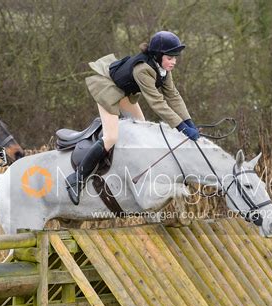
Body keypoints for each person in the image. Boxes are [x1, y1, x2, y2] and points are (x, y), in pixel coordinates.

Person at [65, 31, 199, 205]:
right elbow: (157, 102)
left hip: (126, 93)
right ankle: (76, 179)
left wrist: (189, 122)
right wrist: (181, 127)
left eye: (175, 57)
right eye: (170, 57)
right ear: (158, 56)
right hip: (109, 89)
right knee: (111, 137)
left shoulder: (163, 69)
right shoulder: (143, 69)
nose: (174, 61)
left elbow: (173, 96)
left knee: (143, 131)